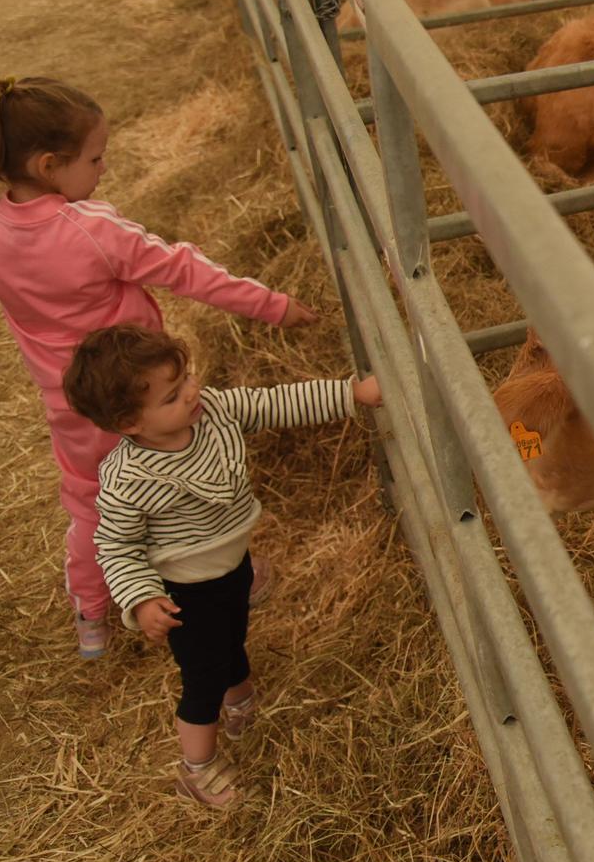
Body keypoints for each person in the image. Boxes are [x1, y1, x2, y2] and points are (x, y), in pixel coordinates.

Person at [0, 77, 318, 659]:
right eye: (95, 158)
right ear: (50, 165)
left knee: (91, 503)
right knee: (189, 472)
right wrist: (273, 305)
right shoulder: (93, 229)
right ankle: (232, 576)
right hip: (150, 393)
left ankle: (93, 615)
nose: (102, 169)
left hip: (74, 407)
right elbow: (186, 270)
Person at [66, 324, 380, 807]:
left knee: (233, 634)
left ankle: (240, 701)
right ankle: (197, 767)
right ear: (131, 423)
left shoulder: (211, 412)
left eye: (187, 377)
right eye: (173, 395)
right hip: (184, 592)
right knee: (202, 677)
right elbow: (115, 545)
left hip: (233, 567)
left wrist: (350, 394)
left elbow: (275, 403)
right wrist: (143, 598)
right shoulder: (131, 478)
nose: (192, 392)